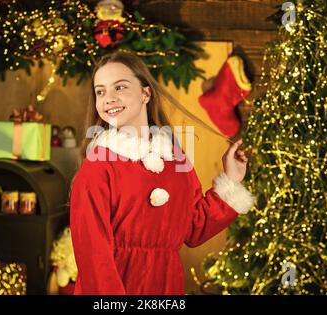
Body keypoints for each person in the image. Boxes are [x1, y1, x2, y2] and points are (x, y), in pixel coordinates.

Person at [70, 51, 255, 295]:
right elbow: (93, 254)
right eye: (100, 91)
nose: (109, 98)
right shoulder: (98, 167)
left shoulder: (175, 161)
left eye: (120, 87)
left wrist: (230, 180)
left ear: (146, 93)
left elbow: (193, 228)